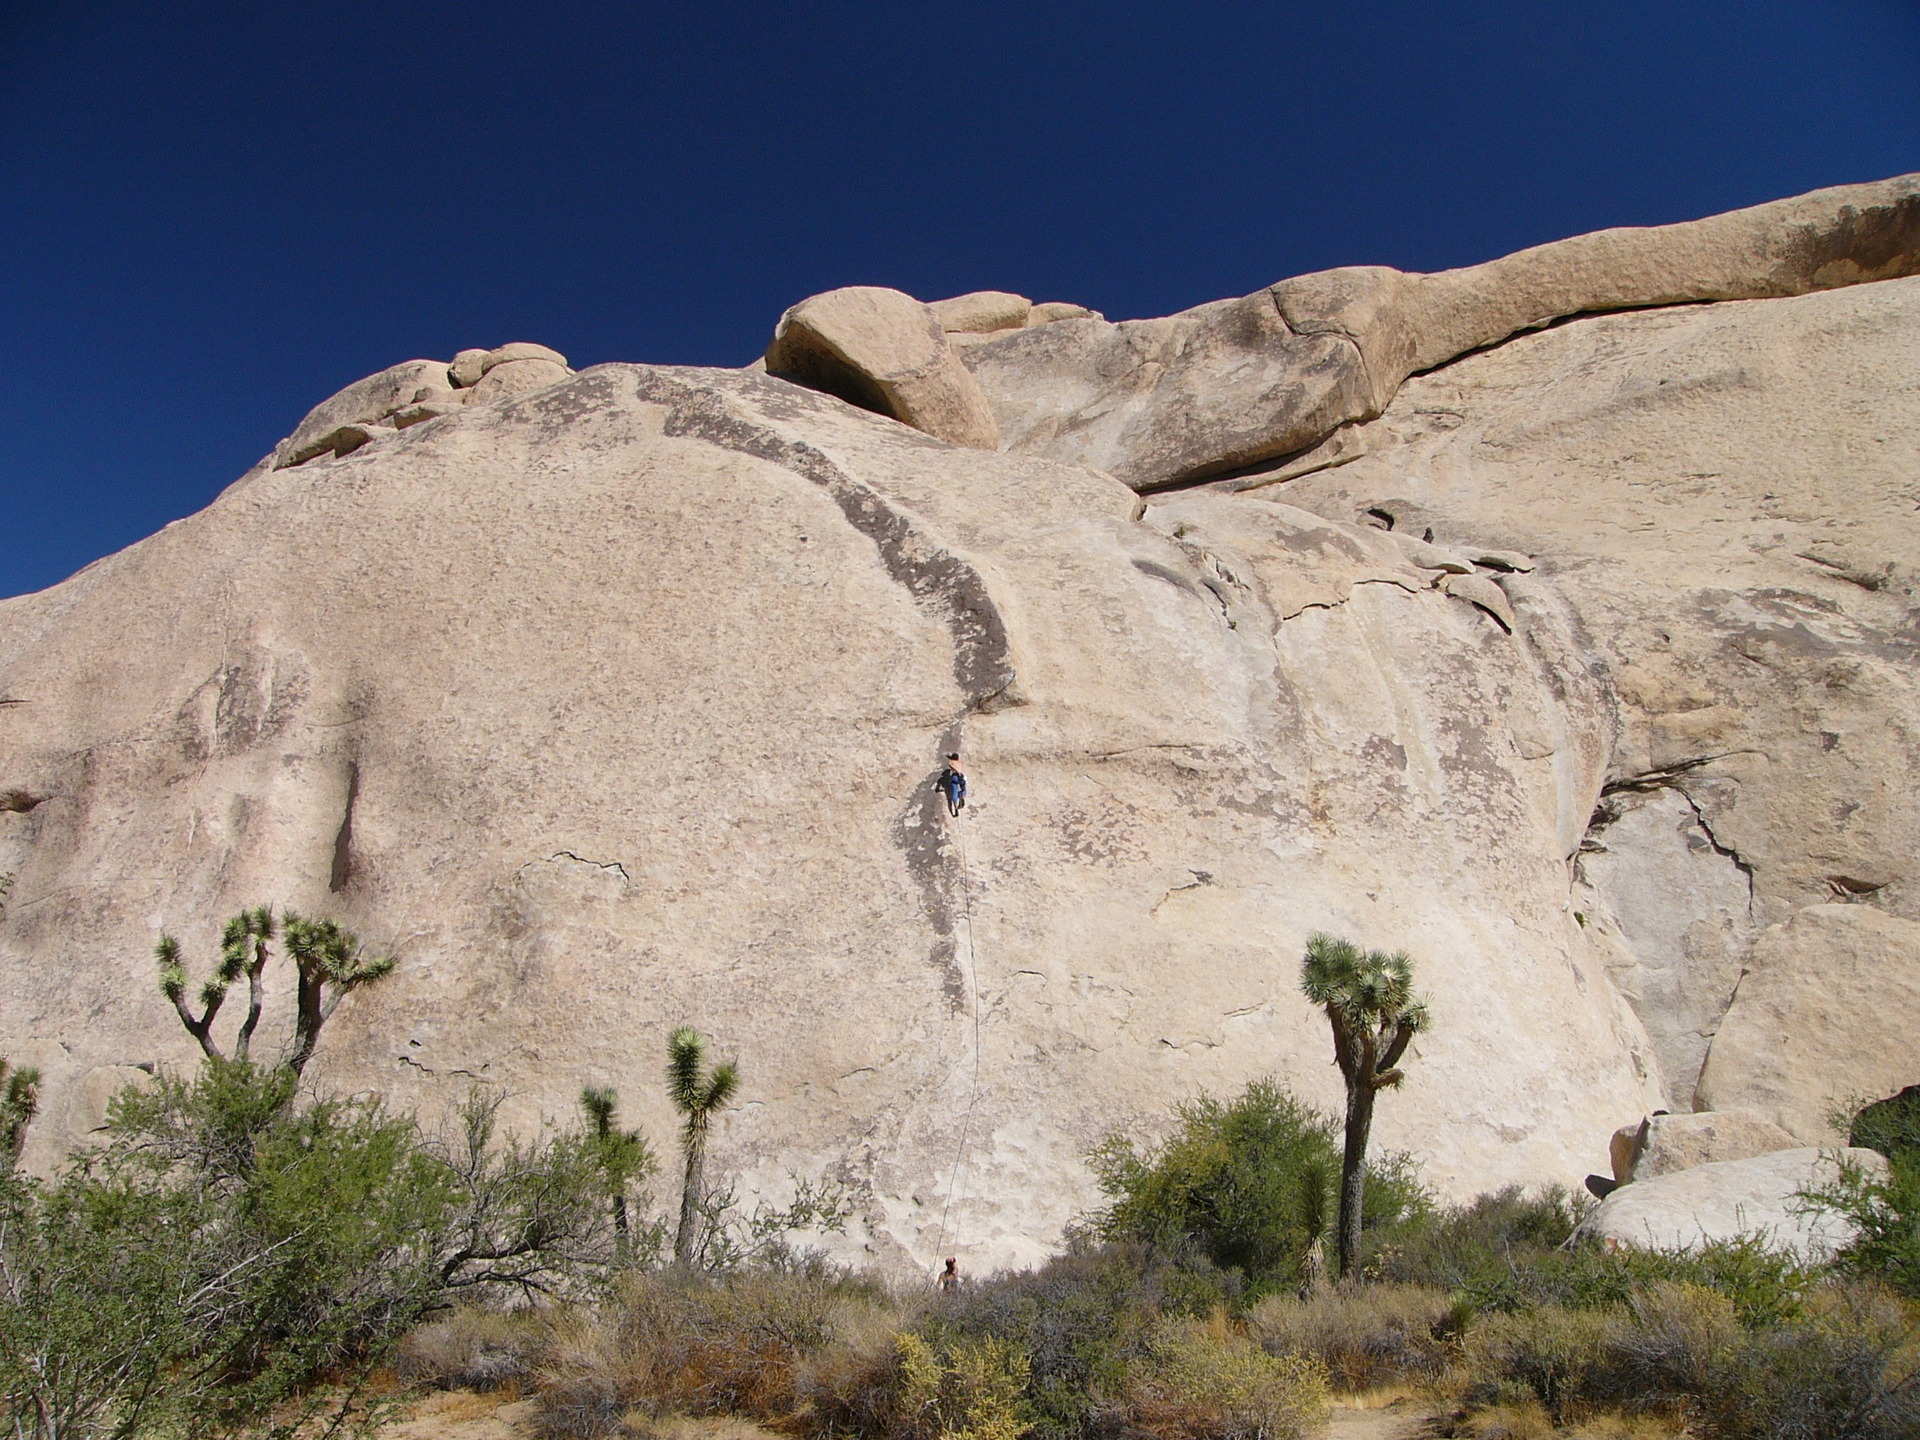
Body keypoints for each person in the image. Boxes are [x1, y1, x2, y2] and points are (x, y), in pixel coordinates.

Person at [936, 753, 967, 817]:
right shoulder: (960, 762)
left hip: (955, 777)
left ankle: (956, 810)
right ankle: (962, 798)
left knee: (954, 796)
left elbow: (951, 764)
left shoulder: (951, 762)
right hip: (962, 777)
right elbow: (955, 762)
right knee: (963, 788)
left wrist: (956, 771)